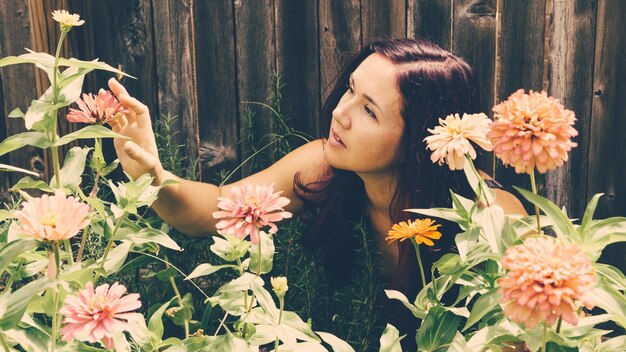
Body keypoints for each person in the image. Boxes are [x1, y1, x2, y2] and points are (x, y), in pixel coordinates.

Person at [107, 38, 526, 350]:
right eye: (350, 89)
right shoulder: (322, 166)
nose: (340, 113)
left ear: (420, 140)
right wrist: (152, 173)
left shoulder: (493, 220)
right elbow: (211, 211)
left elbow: (523, 336)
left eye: (369, 110)